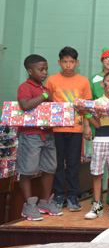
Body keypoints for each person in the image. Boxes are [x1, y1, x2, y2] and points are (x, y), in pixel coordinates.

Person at [16, 54, 63, 221]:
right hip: (30, 135)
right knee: (27, 170)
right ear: (30, 71)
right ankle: (28, 205)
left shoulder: (46, 89)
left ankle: (44, 201)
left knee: (50, 168)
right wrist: (44, 97)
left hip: (48, 134)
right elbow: (25, 105)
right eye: (41, 69)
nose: (45, 72)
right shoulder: (25, 87)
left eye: (46, 69)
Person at [46, 46, 92, 212]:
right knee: (57, 164)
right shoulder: (51, 80)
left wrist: (87, 126)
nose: (68, 65)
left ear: (77, 63)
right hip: (56, 130)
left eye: (71, 62)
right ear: (59, 63)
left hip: (76, 129)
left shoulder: (83, 81)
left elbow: (86, 107)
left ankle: (73, 196)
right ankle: (58, 195)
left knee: (73, 164)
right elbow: (48, 105)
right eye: (64, 61)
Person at [77, 72, 109, 219]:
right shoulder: (96, 102)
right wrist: (86, 113)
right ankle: (97, 205)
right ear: (102, 84)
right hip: (99, 140)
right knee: (97, 173)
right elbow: (97, 125)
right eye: (108, 81)